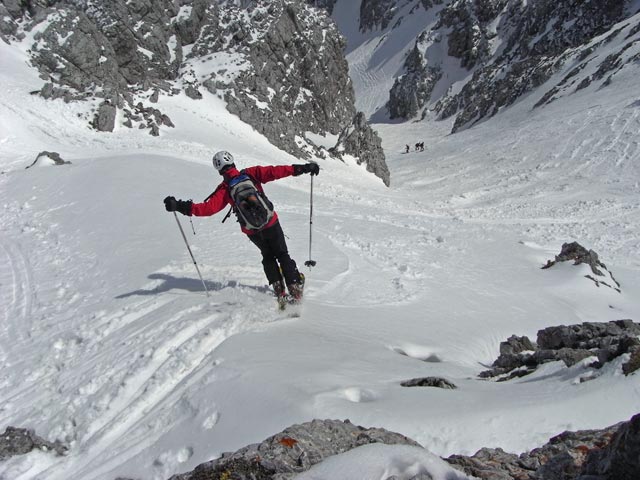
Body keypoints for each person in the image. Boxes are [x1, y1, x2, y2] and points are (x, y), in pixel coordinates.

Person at [163, 151, 319, 302]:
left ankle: (279, 291)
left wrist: (179, 206)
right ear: (233, 162)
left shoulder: (225, 188)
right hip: (271, 222)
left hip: (252, 231)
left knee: (267, 255)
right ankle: (295, 289)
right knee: (282, 254)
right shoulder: (251, 174)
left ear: (219, 170)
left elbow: (208, 209)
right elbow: (275, 172)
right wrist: (303, 168)